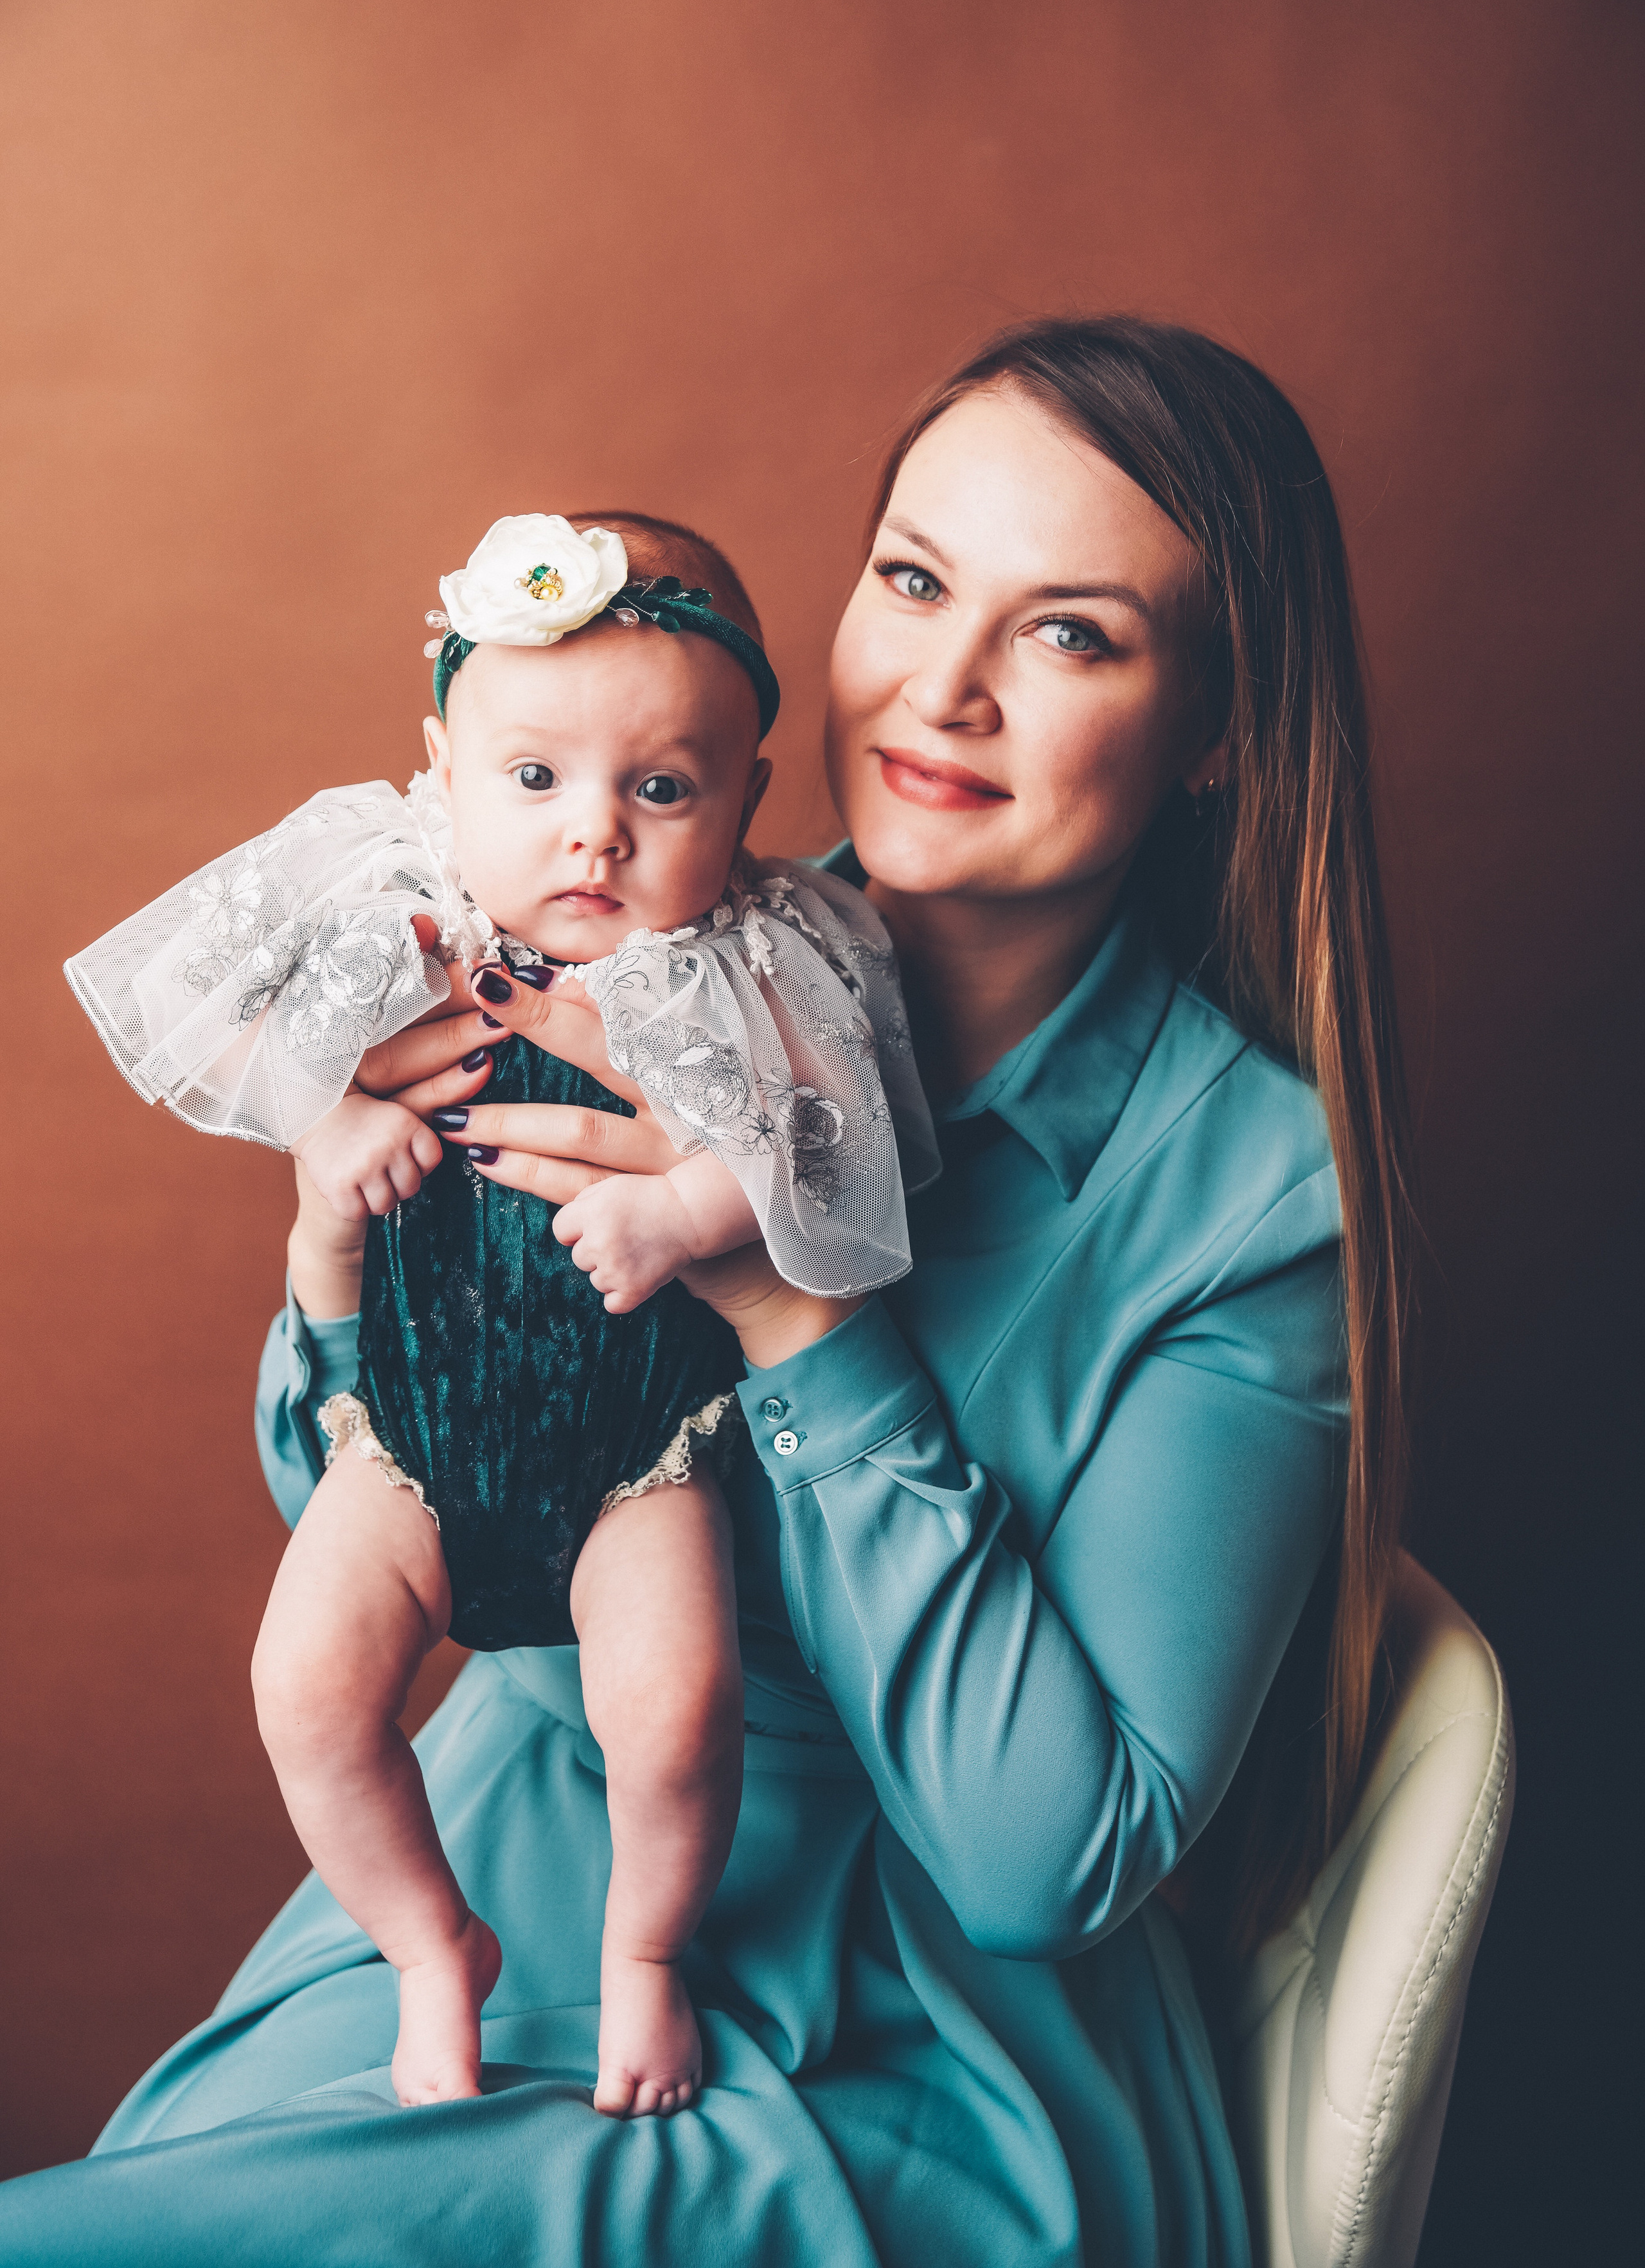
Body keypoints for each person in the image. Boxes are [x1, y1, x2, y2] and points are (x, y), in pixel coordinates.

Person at [3, 316, 1413, 2268]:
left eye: (1071, 635)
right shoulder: (606, 939)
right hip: (504, 1842)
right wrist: (344, 1260)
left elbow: (1039, 1860)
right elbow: (377, 1528)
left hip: (913, 2022)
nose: (946, 687)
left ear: (1219, 734)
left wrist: (798, 1313)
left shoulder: (1254, 1202)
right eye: (915, 582)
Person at [63, 508, 936, 2120]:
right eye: (532, 780)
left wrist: (687, 1206)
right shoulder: (403, 920)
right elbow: (207, 1015)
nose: (590, 835)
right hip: (403, 1447)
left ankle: (645, 1956)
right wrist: (324, 1119)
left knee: (674, 1718)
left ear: (746, 798)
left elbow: (836, 1160)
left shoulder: (750, 957)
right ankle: (425, 1945)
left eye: (658, 789)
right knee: (309, 1694)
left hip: (638, 1462)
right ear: (440, 770)